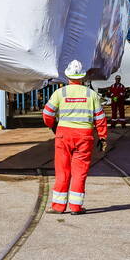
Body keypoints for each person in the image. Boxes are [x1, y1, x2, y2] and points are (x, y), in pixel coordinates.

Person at [42, 60, 108, 215]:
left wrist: (53, 125)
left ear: (68, 76)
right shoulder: (91, 95)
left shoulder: (60, 93)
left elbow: (47, 114)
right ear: (82, 77)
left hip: (64, 135)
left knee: (62, 171)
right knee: (79, 172)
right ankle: (76, 207)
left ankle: (58, 207)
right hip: (84, 137)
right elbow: (100, 118)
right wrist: (103, 137)